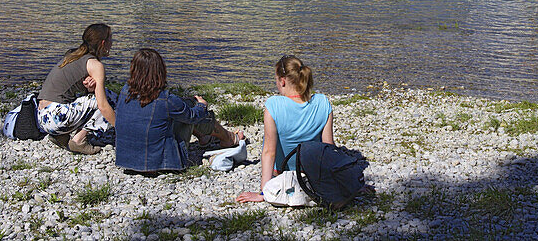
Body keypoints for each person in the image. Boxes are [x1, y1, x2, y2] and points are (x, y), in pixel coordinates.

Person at [115, 48, 243, 174]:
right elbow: (193, 116)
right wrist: (202, 105)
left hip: (127, 161)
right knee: (193, 109)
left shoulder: (124, 91)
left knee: (180, 109)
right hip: (159, 164)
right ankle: (229, 138)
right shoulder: (166, 98)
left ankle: (205, 137)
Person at [236, 55, 333, 203]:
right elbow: (329, 148)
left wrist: (263, 192)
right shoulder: (322, 102)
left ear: (282, 81)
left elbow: (269, 152)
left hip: (282, 173)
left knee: (270, 144)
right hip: (313, 173)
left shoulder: (273, 105)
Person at [37, 23, 117, 155]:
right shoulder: (95, 65)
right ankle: (79, 140)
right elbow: (103, 106)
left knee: (95, 97)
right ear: (103, 43)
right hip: (56, 117)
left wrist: (89, 89)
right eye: (111, 39)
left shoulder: (73, 54)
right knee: (110, 98)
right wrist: (122, 130)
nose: (112, 43)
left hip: (42, 117)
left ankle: (61, 136)